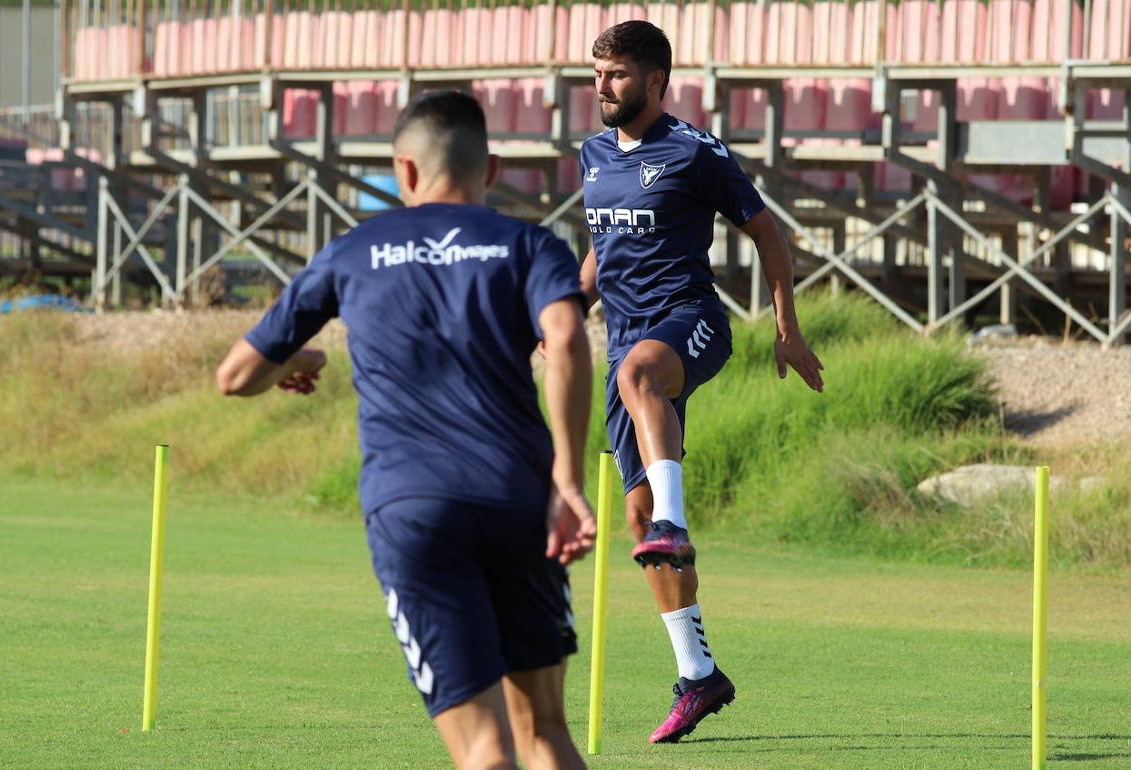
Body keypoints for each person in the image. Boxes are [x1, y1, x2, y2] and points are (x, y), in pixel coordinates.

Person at [216, 90, 596, 770]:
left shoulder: (353, 250)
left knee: (483, 748)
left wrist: (295, 362)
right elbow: (565, 337)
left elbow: (236, 375)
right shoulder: (529, 243)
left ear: (405, 172)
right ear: (493, 167)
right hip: (519, 502)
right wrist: (567, 477)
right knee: (543, 734)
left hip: (413, 507)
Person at [578, 21, 826, 744]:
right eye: (596, 74)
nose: (601, 86)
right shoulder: (593, 155)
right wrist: (559, 312)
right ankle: (698, 675)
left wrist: (787, 327)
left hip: (691, 322)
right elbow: (601, 256)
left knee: (641, 375)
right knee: (633, 515)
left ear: (656, 81)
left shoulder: (694, 150)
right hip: (626, 353)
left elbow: (767, 232)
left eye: (617, 74)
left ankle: (673, 523)